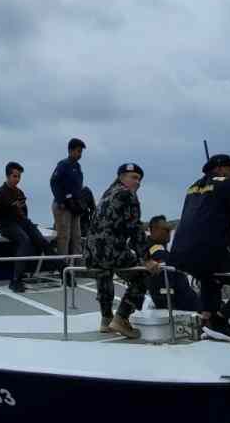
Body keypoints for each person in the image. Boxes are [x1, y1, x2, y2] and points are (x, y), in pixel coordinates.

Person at [170, 153, 230, 339]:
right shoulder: (226, 185)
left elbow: (203, 224)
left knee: (210, 277)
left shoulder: (192, 189)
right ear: (219, 168)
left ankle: (206, 321)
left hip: (180, 255)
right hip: (208, 253)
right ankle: (221, 320)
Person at [83, 163, 160, 339]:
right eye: (133, 177)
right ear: (121, 177)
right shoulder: (128, 195)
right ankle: (122, 318)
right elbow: (135, 229)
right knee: (142, 275)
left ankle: (106, 319)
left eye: (139, 179)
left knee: (104, 275)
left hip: (91, 251)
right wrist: (147, 259)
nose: (137, 182)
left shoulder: (107, 194)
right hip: (110, 248)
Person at [0, 162, 52, 292]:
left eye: (19, 176)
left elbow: (25, 212)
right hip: (7, 224)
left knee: (42, 241)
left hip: (21, 222)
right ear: (8, 176)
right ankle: (16, 280)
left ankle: (62, 270)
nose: (17, 179)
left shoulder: (20, 193)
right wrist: (11, 207)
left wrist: (24, 218)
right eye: (15, 176)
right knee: (24, 240)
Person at [145, 215, 200, 312]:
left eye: (169, 229)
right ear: (154, 230)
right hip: (180, 305)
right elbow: (166, 284)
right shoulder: (157, 252)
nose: (169, 232)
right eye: (165, 229)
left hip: (182, 300)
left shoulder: (149, 248)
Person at [50, 137, 86, 258]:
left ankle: (77, 267)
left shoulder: (78, 167)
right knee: (64, 237)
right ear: (70, 150)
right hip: (63, 206)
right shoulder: (63, 165)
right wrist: (61, 201)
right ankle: (63, 266)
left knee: (76, 236)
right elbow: (54, 182)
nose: (79, 154)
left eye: (81, 152)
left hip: (74, 206)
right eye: (78, 151)